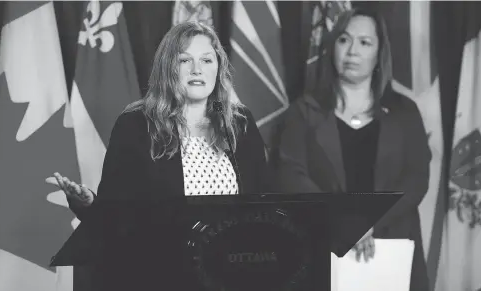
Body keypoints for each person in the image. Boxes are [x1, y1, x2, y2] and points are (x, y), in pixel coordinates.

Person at [49, 21, 270, 291]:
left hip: (231, 272)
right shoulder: (137, 125)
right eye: (184, 60)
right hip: (159, 274)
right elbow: (116, 213)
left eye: (206, 60)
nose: (197, 69)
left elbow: (264, 203)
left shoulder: (240, 123)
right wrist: (87, 205)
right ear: (169, 68)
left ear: (219, 68)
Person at [274, 8, 431, 291]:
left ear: (379, 53)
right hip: (322, 247)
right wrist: (342, 223)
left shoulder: (405, 112)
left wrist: (368, 225)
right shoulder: (303, 112)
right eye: (344, 40)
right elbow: (291, 175)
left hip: (391, 248)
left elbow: (416, 179)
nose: (352, 51)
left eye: (364, 42)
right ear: (333, 46)